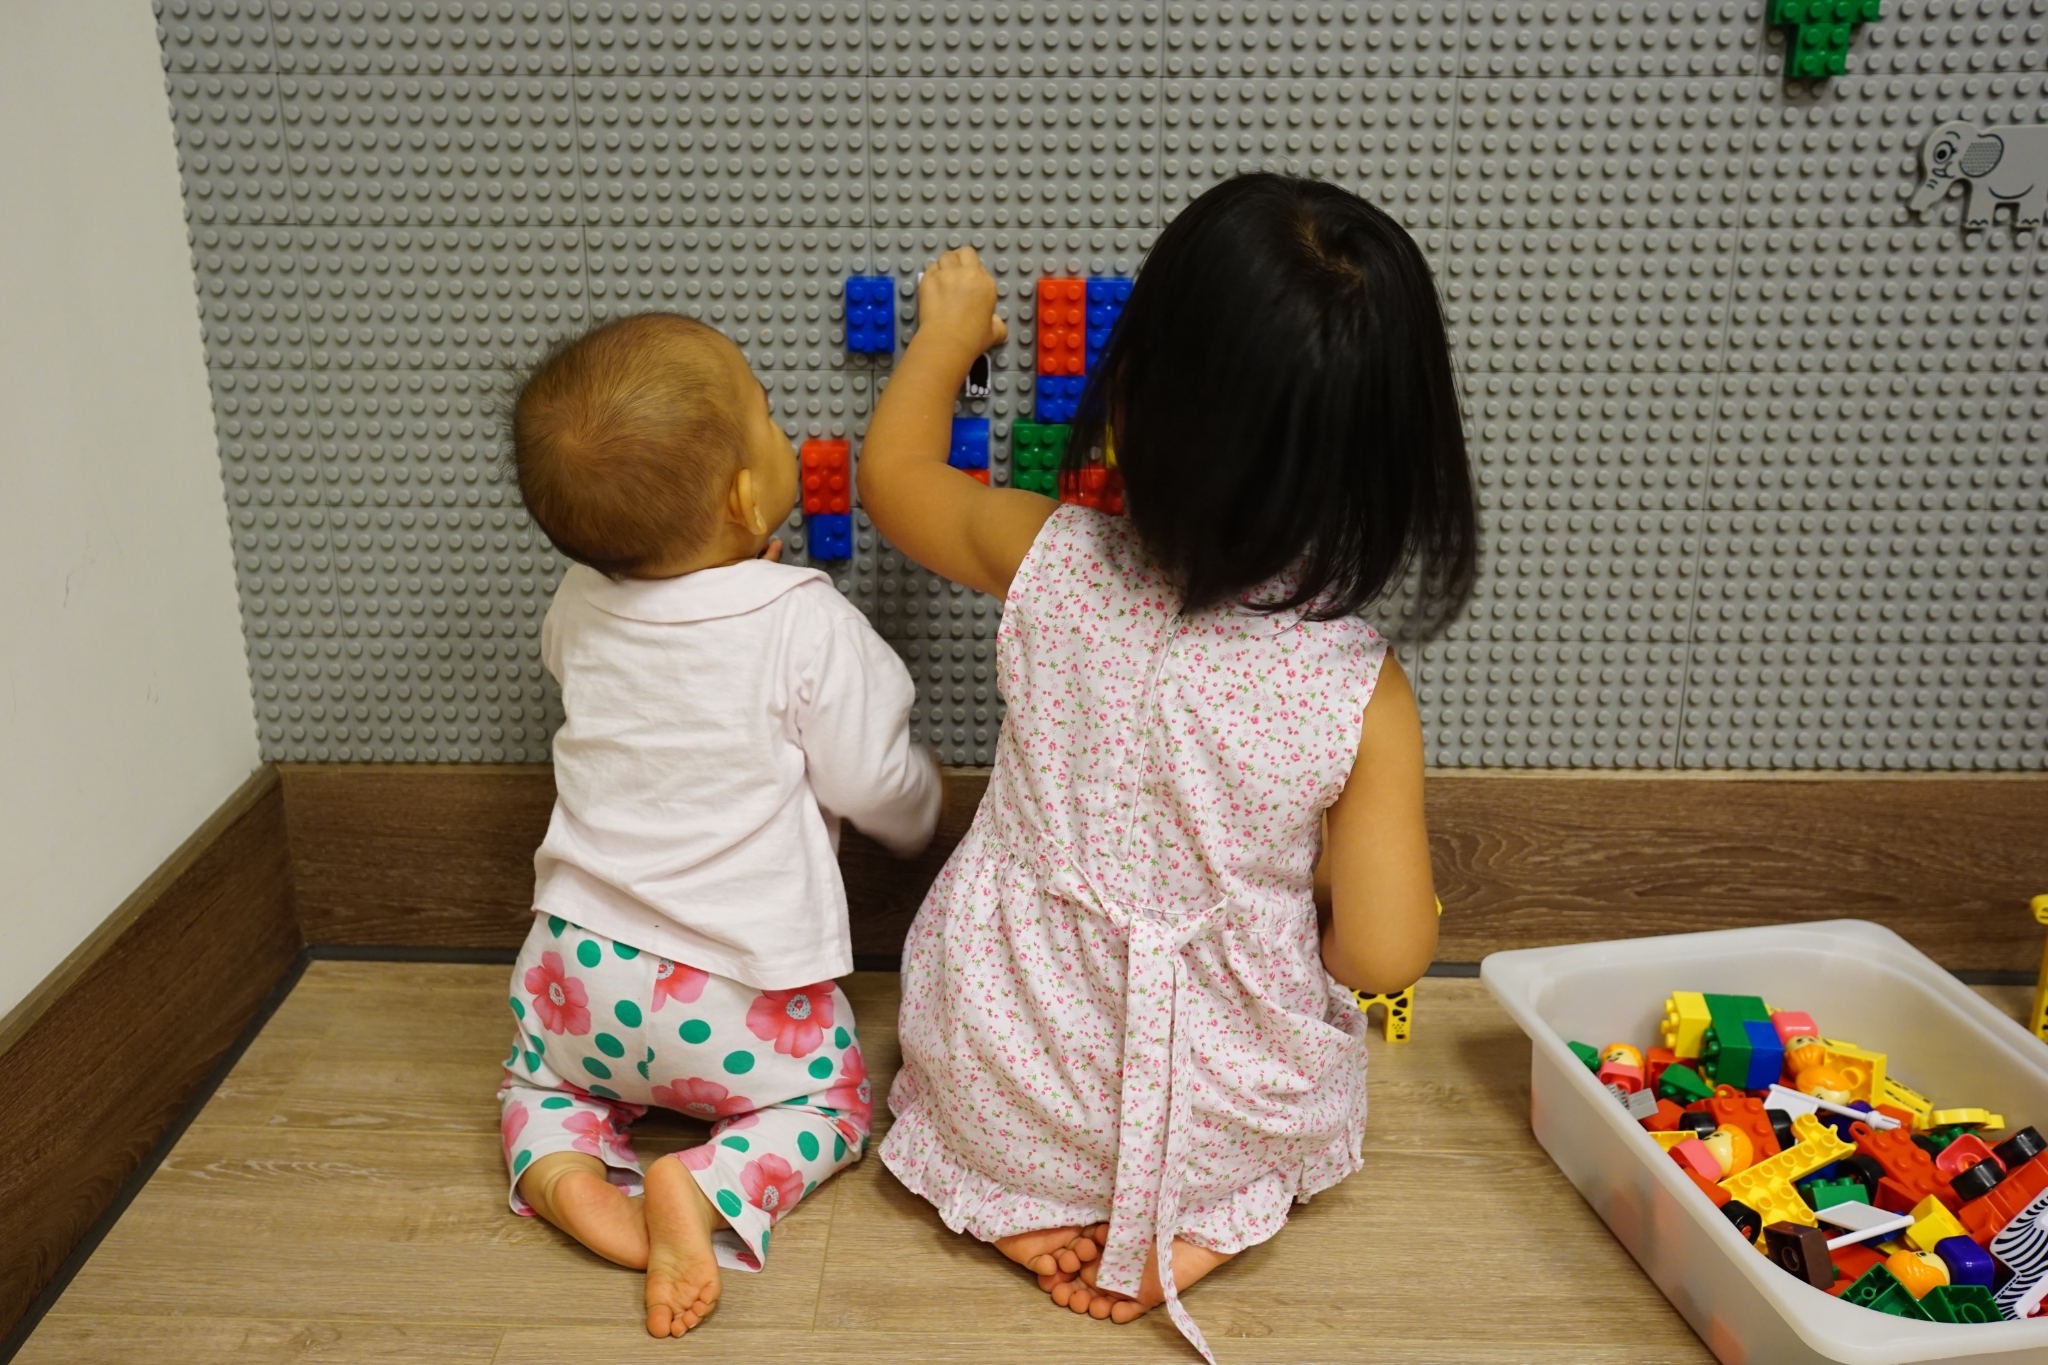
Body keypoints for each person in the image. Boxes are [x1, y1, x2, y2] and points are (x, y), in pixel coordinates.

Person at [857, 173, 1477, 1361]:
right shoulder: (1363, 692)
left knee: (980, 1067)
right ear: (1391, 461)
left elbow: (891, 482)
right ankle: (1196, 1217)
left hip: (1010, 1061)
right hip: (1217, 1107)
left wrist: (945, 338)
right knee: (1291, 1084)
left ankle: (1010, 1195)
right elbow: (1384, 955)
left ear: (1133, 393)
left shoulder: (1044, 554)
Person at [496, 313, 942, 1338]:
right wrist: (925, 805)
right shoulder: (804, 619)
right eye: (769, 417)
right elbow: (869, 779)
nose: (784, 430)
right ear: (745, 496)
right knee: (832, 1106)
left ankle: (562, 1167)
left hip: (574, 972)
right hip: (740, 991)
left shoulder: (576, 601)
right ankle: (704, 1183)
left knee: (537, 1081)